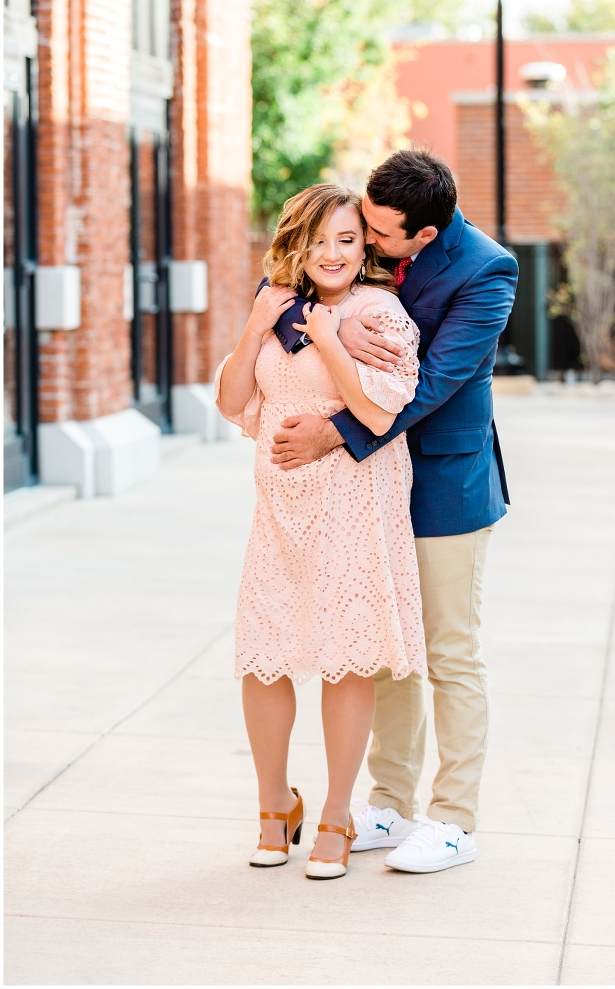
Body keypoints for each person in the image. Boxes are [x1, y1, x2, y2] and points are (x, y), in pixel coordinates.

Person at [269, 150, 518, 874]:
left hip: (444, 482)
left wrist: (332, 432)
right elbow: (287, 289)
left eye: (380, 234)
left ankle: (454, 821)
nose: (365, 242)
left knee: (448, 651)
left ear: (426, 237)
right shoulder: (366, 237)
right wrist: (336, 328)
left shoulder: (488, 274)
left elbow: (433, 382)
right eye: (364, 226)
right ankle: (389, 802)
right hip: (374, 482)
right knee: (387, 649)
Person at [215, 183, 426, 881]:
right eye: (318, 240)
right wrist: (254, 326)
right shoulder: (277, 305)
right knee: (263, 656)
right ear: (295, 244)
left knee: (347, 654)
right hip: (278, 513)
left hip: (354, 507)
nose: (332, 253)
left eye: (346, 238)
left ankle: (337, 813)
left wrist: (331, 340)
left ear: (364, 243)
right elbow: (233, 402)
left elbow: (375, 413)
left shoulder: (379, 313)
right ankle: (275, 805)